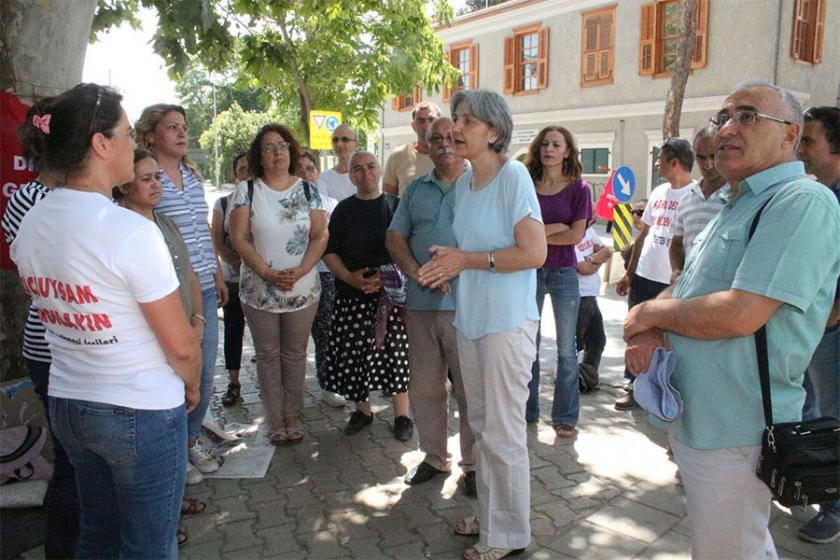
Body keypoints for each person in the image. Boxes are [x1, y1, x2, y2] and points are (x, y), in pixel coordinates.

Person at [624, 80, 840, 559]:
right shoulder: (736, 203)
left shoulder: (801, 202)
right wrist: (656, 329)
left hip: (738, 428)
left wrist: (647, 312)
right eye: (723, 118)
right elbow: (688, 286)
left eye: (747, 116)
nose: (726, 129)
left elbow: (741, 313)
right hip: (700, 415)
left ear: (790, 135)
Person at [10, 82, 201, 559]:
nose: (130, 143)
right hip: (140, 410)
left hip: (72, 402)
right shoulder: (128, 230)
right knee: (148, 546)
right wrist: (193, 386)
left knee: (96, 534)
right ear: (99, 145)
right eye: (123, 133)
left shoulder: (32, 222)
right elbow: (180, 345)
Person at [416, 89, 546, 560]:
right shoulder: (467, 183)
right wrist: (450, 271)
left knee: (503, 431)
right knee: (481, 424)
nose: (455, 128)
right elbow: (466, 254)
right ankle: (495, 518)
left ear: (494, 130)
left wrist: (465, 260)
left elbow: (534, 252)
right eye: (455, 118)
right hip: (471, 320)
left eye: (467, 120)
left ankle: (509, 536)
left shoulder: (513, 177)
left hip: (507, 324)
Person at [113, 148, 209, 544]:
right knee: (149, 453)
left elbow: (188, 274)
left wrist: (198, 320)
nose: (156, 185)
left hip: (181, 336)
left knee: (172, 441)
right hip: (148, 351)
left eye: (158, 177)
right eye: (147, 178)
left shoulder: (166, 223)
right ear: (124, 185)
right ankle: (158, 529)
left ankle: (172, 508)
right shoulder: (121, 228)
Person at [2, 97, 80, 559]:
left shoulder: (72, 197)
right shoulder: (36, 200)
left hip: (70, 344)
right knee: (71, 463)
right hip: (55, 347)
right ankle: (65, 548)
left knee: (78, 461)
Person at [135, 103, 228, 481]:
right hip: (170, 290)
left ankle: (189, 442)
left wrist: (218, 273)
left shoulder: (191, 175)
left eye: (184, 126)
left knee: (204, 374)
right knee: (177, 371)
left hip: (205, 284)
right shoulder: (143, 175)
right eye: (171, 127)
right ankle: (175, 452)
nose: (181, 133)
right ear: (151, 134)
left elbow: (204, 229)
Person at [386, 116, 476, 495]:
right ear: (425, 142)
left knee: (470, 389)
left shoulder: (482, 185)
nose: (444, 144)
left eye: (452, 137)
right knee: (425, 387)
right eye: (435, 138)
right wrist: (417, 271)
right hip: (422, 303)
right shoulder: (415, 189)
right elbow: (395, 236)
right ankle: (436, 457)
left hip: (469, 305)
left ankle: (473, 466)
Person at [228, 124, 327, 446]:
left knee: (296, 354)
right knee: (268, 355)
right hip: (260, 288)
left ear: (291, 151)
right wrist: (266, 273)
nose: (277, 153)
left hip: (302, 287)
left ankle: (293, 415)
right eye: (269, 147)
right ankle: (274, 420)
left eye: (282, 146)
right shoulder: (248, 191)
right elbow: (238, 238)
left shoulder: (309, 191)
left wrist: (301, 269)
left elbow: (320, 235)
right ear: (259, 155)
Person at [322, 151, 413, 440]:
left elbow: (409, 248)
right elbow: (330, 251)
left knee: (397, 356)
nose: (366, 173)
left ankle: (403, 416)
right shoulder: (343, 210)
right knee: (354, 356)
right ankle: (362, 410)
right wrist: (350, 277)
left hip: (392, 298)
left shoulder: (396, 206)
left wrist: (387, 279)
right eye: (358, 169)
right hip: (352, 295)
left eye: (371, 166)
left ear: (379, 170)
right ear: (351, 176)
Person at [523, 126, 592, 438]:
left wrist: (539, 232)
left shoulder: (580, 189)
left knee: (566, 348)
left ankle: (565, 416)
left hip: (564, 273)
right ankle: (528, 410)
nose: (549, 149)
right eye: (545, 144)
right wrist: (553, 229)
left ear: (567, 151)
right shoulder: (527, 184)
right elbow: (520, 230)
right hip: (530, 270)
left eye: (556, 144)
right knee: (529, 346)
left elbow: (576, 235)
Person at [615, 138, 694, 410]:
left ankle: (662, 387)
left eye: (661, 159)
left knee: (665, 338)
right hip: (644, 276)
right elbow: (643, 236)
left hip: (668, 284)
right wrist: (629, 273)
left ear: (675, 162)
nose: (657, 163)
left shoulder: (694, 196)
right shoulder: (659, 192)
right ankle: (633, 385)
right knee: (635, 331)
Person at [795, 105, 840, 544]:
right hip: (808, 327)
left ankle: (833, 507)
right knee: (807, 413)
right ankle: (807, 482)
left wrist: (834, 311)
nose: (801, 148)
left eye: (809, 140)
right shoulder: (811, 193)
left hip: (830, 330)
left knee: (832, 418)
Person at [298, 149, 345, 409]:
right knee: (296, 339)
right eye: (300, 169)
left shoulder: (331, 204)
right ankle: (290, 393)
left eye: (310, 168)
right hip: (297, 276)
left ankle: (329, 385)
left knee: (326, 332)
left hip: (326, 276)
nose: (306, 173)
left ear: (318, 171)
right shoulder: (288, 206)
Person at [212, 152, 250, 408]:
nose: (247, 173)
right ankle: (234, 381)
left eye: (251, 168)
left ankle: (275, 386)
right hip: (233, 279)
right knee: (233, 330)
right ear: (235, 173)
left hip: (261, 280)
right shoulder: (223, 203)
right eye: (242, 169)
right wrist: (233, 260)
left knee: (265, 336)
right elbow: (215, 238)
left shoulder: (264, 201)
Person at [669, 127, 727, 280]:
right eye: (701, 157)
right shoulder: (686, 199)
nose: (708, 164)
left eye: (713, 156)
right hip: (689, 291)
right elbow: (676, 245)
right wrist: (676, 271)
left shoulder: (738, 197)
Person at [574, 224, 611, 376]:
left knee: (597, 340)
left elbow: (607, 251)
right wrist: (598, 259)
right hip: (579, 296)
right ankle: (566, 377)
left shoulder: (589, 230)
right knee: (575, 344)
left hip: (591, 295)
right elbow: (584, 269)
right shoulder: (573, 236)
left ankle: (587, 375)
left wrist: (591, 259)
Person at [382, 101, 441, 196]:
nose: (426, 126)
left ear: (439, 123)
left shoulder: (453, 157)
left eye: (431, 120)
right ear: (414, 126)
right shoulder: (398, 156)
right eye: (421, 121)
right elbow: (388, 200)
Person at [318, 124, 358, 201]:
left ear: (356, 143)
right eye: (335, 140)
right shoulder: (324, 178)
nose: (339, 144)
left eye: (345, 139)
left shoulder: (367, 174)